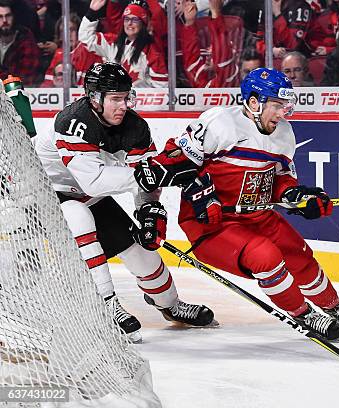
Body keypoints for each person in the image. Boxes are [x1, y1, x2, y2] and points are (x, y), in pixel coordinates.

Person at [133, 68, 339, 341]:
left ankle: (335, 307)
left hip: (259, 216)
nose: (282, 113)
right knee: (266, 256)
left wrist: (297, 197)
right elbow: (178, 161)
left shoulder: (284, 133)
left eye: (285, 106)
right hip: (213, 224)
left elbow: (280, 179)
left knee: (299, 254)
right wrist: (180, 182)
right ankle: (303, 314)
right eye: (276, 105)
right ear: (254, 102)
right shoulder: (221, 123)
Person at [34, 62, 215, 342]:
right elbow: (93, 181)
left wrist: (148, 208)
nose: (123, 105)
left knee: (141, 253)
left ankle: (170, 305)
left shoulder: (136, 127)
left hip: (90, 196)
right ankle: (106, 306)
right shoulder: (73, 121)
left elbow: (146, 178)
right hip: (51, 193)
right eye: (115, 99)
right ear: (95, 98)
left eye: (126, 96)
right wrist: (151, 176)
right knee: (79, 218)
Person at [78, 0, 168, 87]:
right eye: (127, 19)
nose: (129, 23)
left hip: (139, 101)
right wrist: (92, 13)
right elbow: (86, 38)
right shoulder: (113, 43)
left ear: (143, 23)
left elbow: (161, 88)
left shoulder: (152, 52)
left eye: (135, 19)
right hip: (113, 100)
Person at [0, 0, 41, 86]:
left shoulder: (25, 37)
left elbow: (27, 75)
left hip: (18, 93)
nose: (4, 21)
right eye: (0, 17)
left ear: (14, 17)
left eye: (8, 16)